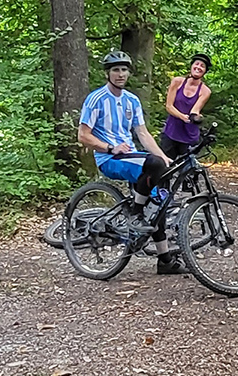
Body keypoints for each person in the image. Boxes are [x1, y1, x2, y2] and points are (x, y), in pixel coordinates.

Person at [76, 49, 182, 274]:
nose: (120, 74)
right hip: (110, 158)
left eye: (124, 70)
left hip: (132, 156)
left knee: (158, 200)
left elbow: (143, 134)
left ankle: (165, 260)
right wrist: (109, 147)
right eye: (116, 70)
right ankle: (135, 213)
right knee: (154, 169)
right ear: (108, 73)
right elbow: (83, 135)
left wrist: (164, 157)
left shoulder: (131, 100)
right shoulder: (96, 99)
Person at [159, 53, 215, 160]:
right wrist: (182, 116)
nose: (198, 67)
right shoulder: (177, 82)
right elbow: (169, 106)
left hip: (189, 136)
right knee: (164, 167)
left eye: (202, 66)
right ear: (191, 66)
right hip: (171, 132)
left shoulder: (205, 91)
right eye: (197, 64)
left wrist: (196, 117)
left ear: (205, 71)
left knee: (187, 171)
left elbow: (195, 110)